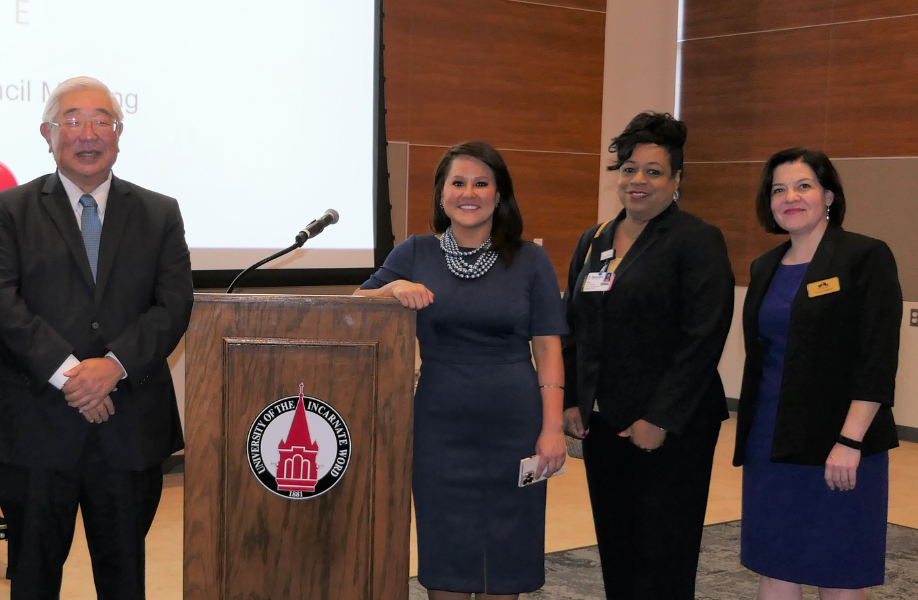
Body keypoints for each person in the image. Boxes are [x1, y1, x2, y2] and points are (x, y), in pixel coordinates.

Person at [0, 76, 193, 600]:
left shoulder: (159, 212)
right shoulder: (11, 208)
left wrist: (113, 366)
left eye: (102, 121)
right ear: (47, 134)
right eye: (72, 120)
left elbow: (174, 304)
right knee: (32, 575)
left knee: (124, 578)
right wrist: (74, 375)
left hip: (129, 427)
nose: (87, 133)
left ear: (119, 134)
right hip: (33, 426)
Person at [356, 141, 568, 599]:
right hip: (439, 426)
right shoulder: (415, 253)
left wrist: (553, 429)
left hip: (515, 423)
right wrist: (392, 289)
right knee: (446, 547)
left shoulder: (531, 260)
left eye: (481, 182)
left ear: (499, 195)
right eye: (457, 182)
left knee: (507, 550)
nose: (468, 192)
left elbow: (549, 349)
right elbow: (355, 304)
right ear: (441, 194)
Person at [561, 111, 735, 599]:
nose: (638, 180)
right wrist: (572, 398)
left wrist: (660, 418)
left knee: (664, 553)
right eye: (629, 168)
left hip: (672, 428)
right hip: (602, 423)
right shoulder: (594, 239)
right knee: (618, 546)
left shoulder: (696, 240)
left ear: (676, 180)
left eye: (654, 171)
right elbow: (573, 325)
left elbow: (703, 336)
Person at [735, 148, 901, 600]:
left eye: (803, 185)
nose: (791, 197)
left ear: (828, 195)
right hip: (770, 441)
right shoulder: (765, 267)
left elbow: (877, 358)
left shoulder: (865, 256)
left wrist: (850, 442)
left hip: (841, 443)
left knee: (839, 571)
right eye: (778, 189)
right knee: (775, 566)